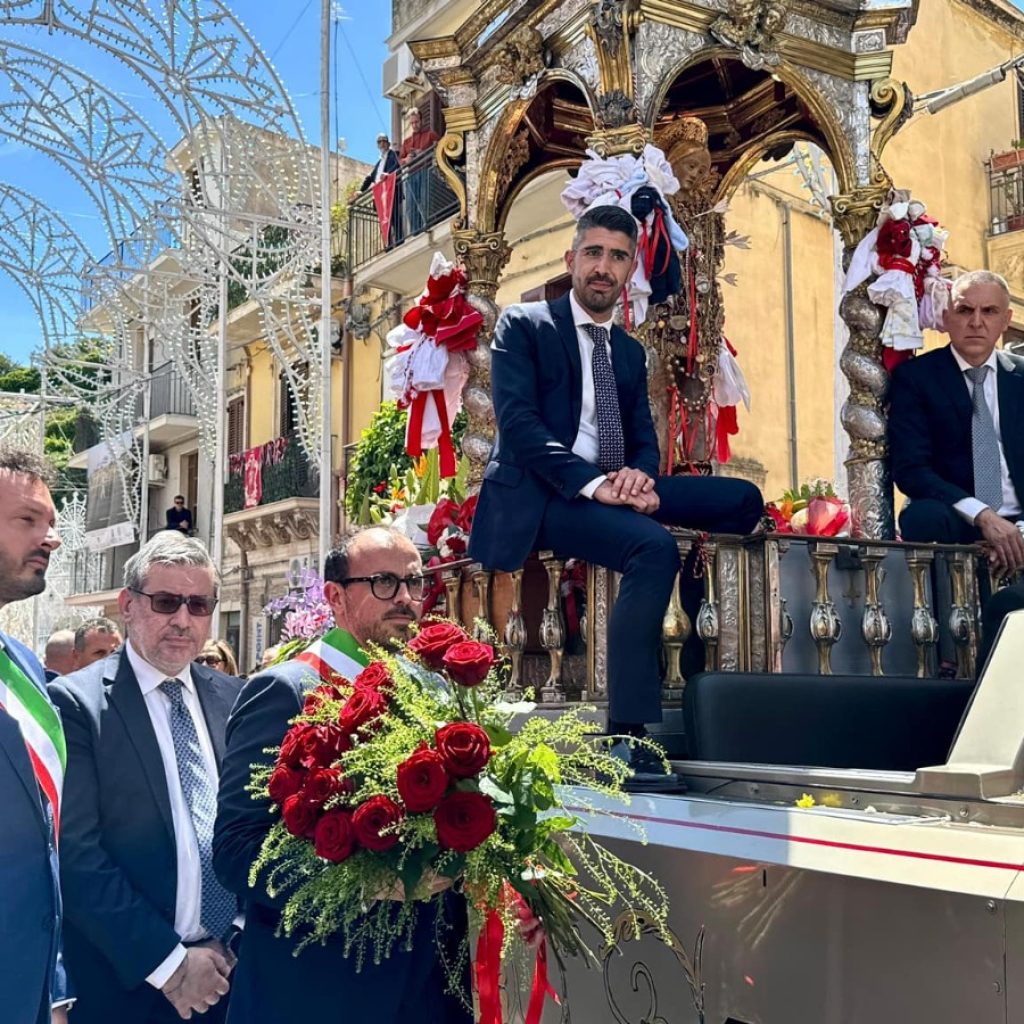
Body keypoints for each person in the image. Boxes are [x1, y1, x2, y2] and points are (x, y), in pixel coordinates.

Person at [468, 204, 764, 788]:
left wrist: (638, 481)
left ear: (630, 271)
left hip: (611, 487)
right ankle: (626, 734)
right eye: (594, 253)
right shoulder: (524, 326)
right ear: (572, 258)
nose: (604, 266)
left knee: (742, 500)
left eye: (618, 257)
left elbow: (644, 440)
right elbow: (520, 427)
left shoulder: (629, 351)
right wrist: (597, 485)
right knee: (652, 548)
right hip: (546, 495)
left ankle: (709, 663)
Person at [214, 526, 468, 1024]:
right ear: (334, 597)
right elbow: (237, 850)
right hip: (318, 990)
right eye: (384, 582)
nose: (405, 598)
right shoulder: (286, 690)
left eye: (414, 582)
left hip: (428, 988)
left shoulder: (434, 690)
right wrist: (367, 883)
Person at [49, 532, 240, 1024]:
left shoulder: (235, 697)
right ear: (127, 605)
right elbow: (76, 855)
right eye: (166, 602)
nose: (183, 620)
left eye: (199, 605)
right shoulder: (77, 704)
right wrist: (172, 966)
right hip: (128, 986)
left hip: (231, 975)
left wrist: (235, 936)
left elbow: (254, 828)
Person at [888, 269, 1024, 669]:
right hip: (957, 516)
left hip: (1021, 519)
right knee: (921, 515)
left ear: (1006, 319)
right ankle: (945, 648)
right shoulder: (916, 378)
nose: (976, 322)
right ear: (946, 316)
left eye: (989, 311)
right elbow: (911, 469)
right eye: (965, 310)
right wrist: (983, 516)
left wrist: (1018, 531)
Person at [0, 447, 71, 1024]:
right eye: (27, 519)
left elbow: (45, 842)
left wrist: (55, 991)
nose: (51, 539)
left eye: (51, 523)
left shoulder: (25, 666)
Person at [399, 108, 439, 237]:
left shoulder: (430, 135)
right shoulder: (406, 142)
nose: (414, 125)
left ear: (422, 121)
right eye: (412, 123)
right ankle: (416, 233)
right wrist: (406, 159)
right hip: (411, 175)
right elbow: (400, 161)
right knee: (410, 207)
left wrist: (424, 153)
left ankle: (429, 227)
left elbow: (439, 149)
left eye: (416, 122)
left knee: (426, 201)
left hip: (426, 171)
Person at [361, 132, 403, 248]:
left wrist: (387, 174)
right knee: (384, 222)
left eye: (384, 141)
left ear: (388, 143)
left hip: (392, 193)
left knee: (395, 218)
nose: (382, 143)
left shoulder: (392, 154)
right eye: (379, 142)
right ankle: (388, 246)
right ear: (377, 145)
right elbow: (370, 178)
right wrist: (361, 191)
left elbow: (397, 166)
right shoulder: (379, 163)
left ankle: (399, 242)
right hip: (381, 197)